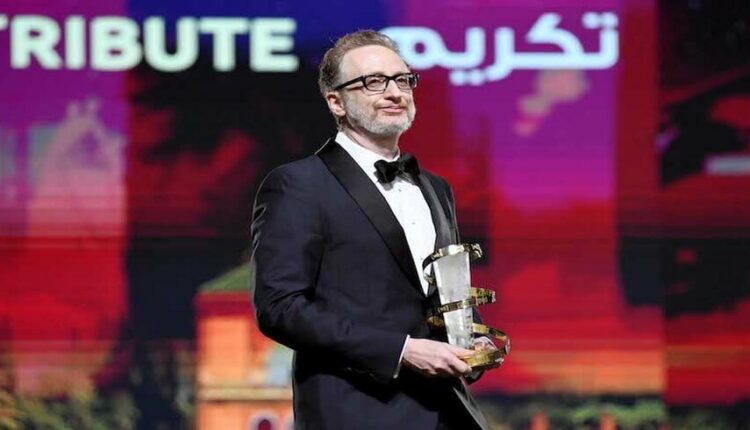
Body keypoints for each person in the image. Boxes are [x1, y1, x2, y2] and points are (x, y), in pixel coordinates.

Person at [250, 30, 495, 429]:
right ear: (336, 102)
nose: (395, 93)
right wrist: (401, 351)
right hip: (357, 412)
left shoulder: (436, 188)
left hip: (447, 413)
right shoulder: (298, 185)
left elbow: (444, 291)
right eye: (373, 82)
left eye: (403, 80)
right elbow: (280, 308)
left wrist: (471, 339)